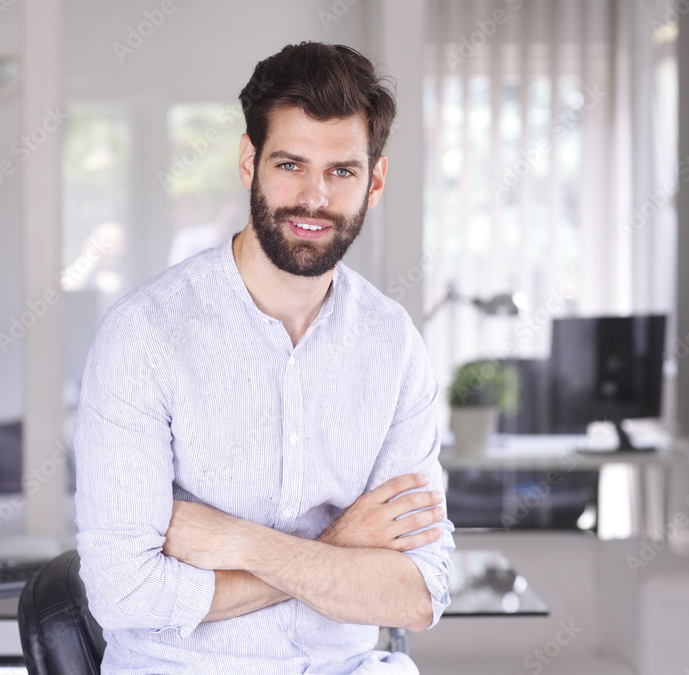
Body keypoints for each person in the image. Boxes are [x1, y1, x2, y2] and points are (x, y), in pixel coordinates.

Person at [74, 42, 455, 674]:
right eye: (290, 164)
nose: (314, 198)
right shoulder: (144, 335)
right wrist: (341, 548)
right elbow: (124, 594)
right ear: (249, 161)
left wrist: (240, 543)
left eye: (341, 171)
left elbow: (417, 594)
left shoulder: (392, 343)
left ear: (375, 181)